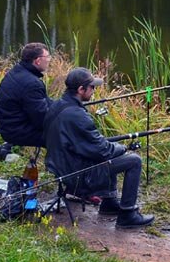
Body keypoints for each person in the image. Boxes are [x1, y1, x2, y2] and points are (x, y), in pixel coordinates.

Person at [44, 67, 154, 228]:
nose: (94, 91)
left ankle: (109, 203)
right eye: (92, 87)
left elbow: (91, 144)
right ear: (81, 89)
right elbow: (104, 151)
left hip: (60, 166)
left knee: (111, 153)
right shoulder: (77, 116)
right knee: (134, 160)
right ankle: (128, 215)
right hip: (77, 174)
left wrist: (111, 146)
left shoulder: (57, 105)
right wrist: (123, 148)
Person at [0, 42, 53, 148]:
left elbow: (42, 103)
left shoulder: (16, 71)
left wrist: (62, 105)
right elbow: (41, 121)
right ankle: (61, 164)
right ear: (38, 61)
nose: (49, 59)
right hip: (18, 132)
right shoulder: (32, 83)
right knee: (64, 134)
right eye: (47, 57)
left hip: (6, 126)